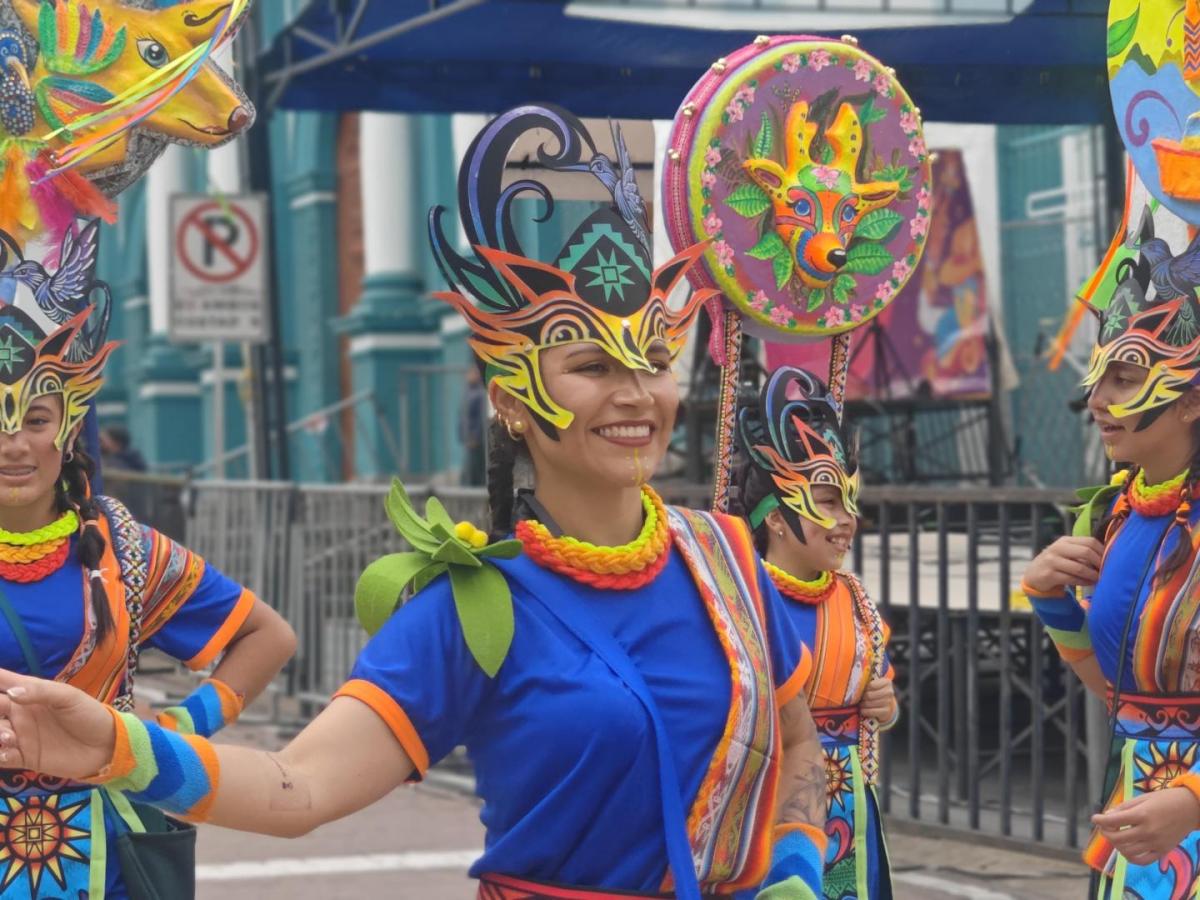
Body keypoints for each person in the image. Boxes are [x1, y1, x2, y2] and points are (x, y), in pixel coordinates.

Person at [0, 106, 830, 900]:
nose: (636, 396)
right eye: (593, 366)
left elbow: (799, 745)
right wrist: (124, 746)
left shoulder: (727, 561)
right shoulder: (472, 609)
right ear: (511, 399)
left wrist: (797, 872)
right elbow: (300, 787)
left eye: (651, 360)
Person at [0, 300, 296, 899]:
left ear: (69, 426)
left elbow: (269, 637)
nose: (15, 445)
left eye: (35, 420)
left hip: (109, 855)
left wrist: (172, 732)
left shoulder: (126, 549)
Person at [1021, 252, 1200, 898]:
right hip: (1135, 824)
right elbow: (1117, 691)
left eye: (1124, 377)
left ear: (1191, 402)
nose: (1095, 399)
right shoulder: (1119, 514)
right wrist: (1049, 601)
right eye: (1099, 375)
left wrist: (1192, 801)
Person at [735, 367, 897, 899]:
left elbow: (884, 701)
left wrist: (885, 704)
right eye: (829, 501)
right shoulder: (742, 599)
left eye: (850, 500)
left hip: (850, 802)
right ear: (776, 519)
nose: (847, 518)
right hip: (772, 799)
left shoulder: (856, 601)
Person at [458, 365, 487, 486]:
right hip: (468, 439)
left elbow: (480, 418)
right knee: (469, 472)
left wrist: (476, 437)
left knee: (473, 472)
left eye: (473, 373)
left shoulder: (480, 394)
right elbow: (463, 417)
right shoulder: (468, 392)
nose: (469, 376)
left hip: (476, 441)